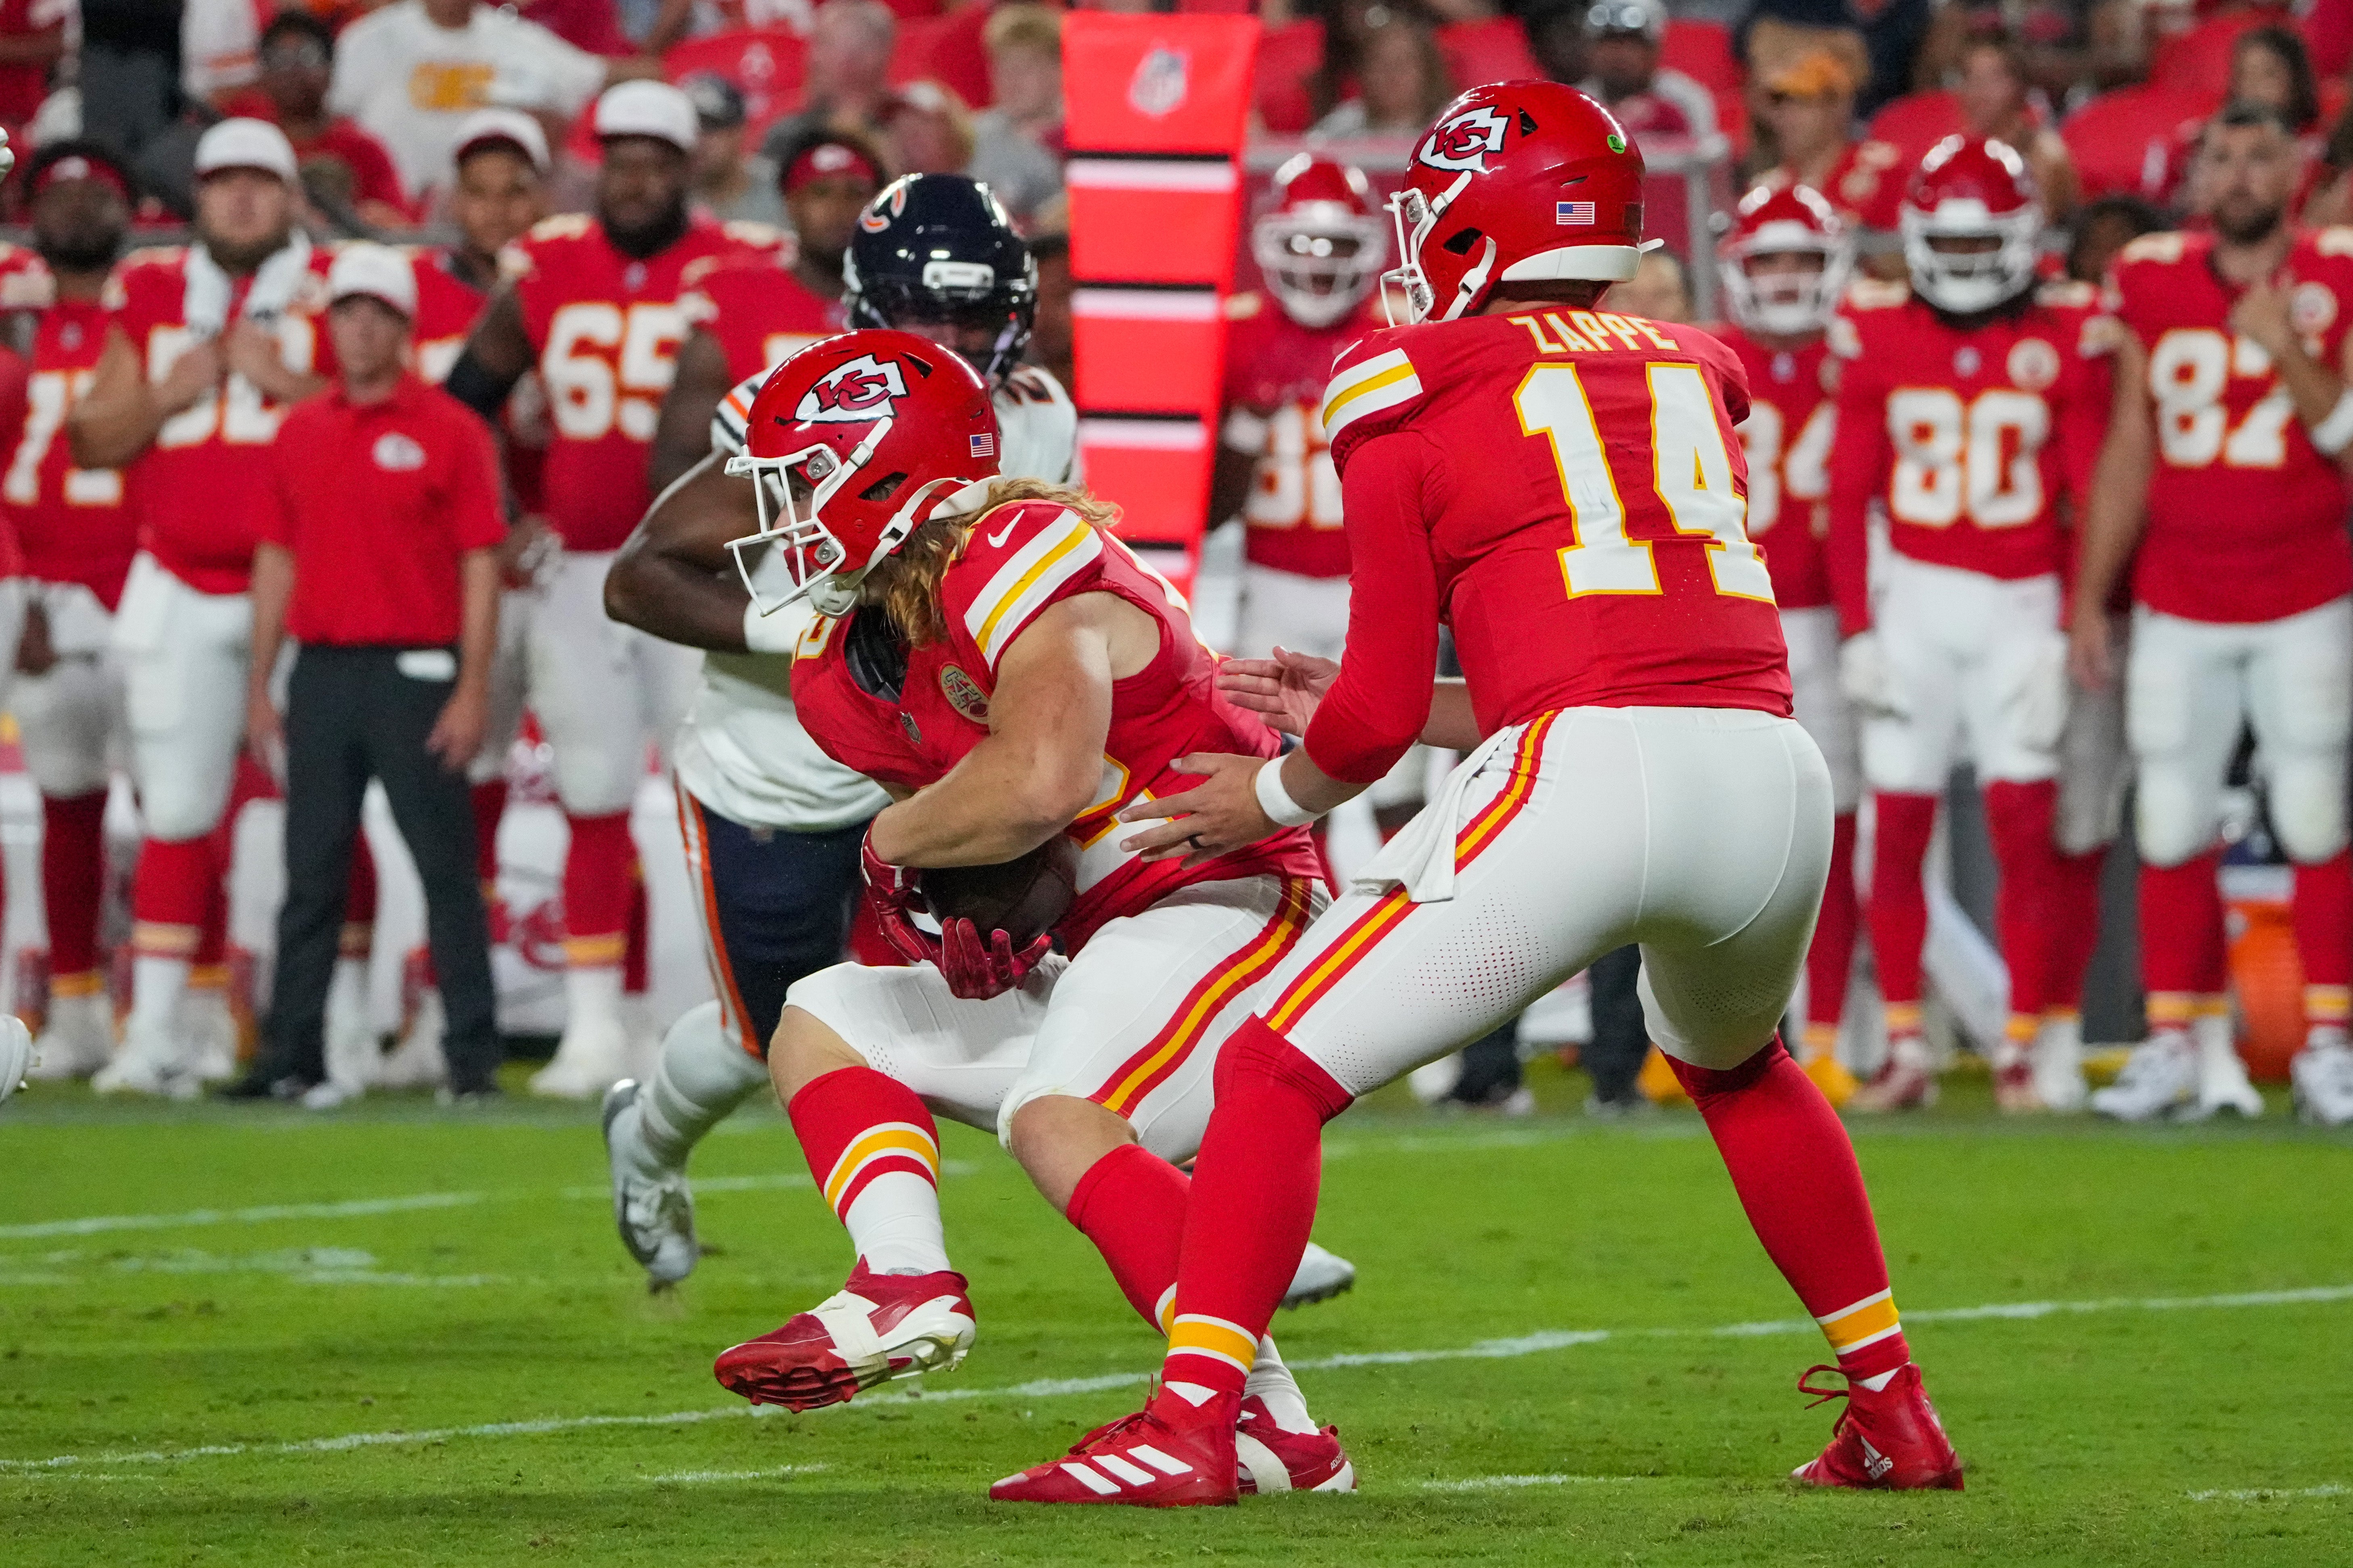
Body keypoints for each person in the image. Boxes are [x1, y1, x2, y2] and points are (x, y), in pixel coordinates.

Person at [990, 82, 1957, 1506]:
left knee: (1270, 1064)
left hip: (1589, 782)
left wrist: (1263, 794)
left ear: (1487, 214)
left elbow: (1380, 720)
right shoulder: (1702, 358)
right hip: (1765, 772)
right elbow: (1625, 656)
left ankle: (1195, 1421)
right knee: (1743, 1068)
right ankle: (1894, 1405)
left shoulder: (1408, 374)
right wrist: (1402, 712)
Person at [696, 330, 1355, 1498]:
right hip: (1119, 929)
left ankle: (1234, 1422)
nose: (788, 511)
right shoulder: (845, 663)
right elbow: (1005, 847)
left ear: (883, 470)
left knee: (1060, 1112)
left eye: (803, 477)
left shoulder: (1015, 542)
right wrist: (968, 924)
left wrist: (890, 848)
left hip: (1237, 897)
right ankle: (905, 1280)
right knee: (828, 1013)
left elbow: (1041, 779)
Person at [443, 81, 779, 1099]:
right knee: (591, 786)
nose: (634, 180)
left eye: (654, 162)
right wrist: (509, 512)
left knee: (718, 789)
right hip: (582, 567)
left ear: (689, 169)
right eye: (619, 161)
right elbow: (466, 401)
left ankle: (720, 1015)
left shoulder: (736, 268)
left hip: (705, 570)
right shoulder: (548, 267)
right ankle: (594, 1028)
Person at [2070, 104, 2353, 1128]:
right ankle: (2171, 1044)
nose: (2236, 175)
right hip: (2178, 590)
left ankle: (2326, 1043)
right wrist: (2087, 596)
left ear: (2294, 172)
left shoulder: (2335, 273)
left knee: (2316, 812)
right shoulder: (2148, 276)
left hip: (2303, 587)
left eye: (2257, 157)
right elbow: (2127, 448)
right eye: (2220, 157)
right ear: (2196, 176)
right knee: (2168, 819)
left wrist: (2283, 348)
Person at [1826, 137, 2111, 1114]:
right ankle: (1906, 1046)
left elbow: (2084, 491)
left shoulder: (2063, 333)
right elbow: (1845, 493)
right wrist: (1858, 629)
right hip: (1912, 597)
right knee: (1893, 828)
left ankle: (2021, 1046)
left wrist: (2069, 619)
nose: (1955, 266)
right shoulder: (1876, 332)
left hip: (2018, 602)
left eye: (1978, 243)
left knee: (2023, 831)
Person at [67, 118, 335, 1100]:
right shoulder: (150, 291)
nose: (240, 199)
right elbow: (92, 441)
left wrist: (287, 385)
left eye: (259, 183)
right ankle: (156, 1033)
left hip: (310, 584)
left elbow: (393, 417)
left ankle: (328, 1033)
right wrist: (170, 396)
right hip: (177, 576)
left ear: (292, 196)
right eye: (222, 182)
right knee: (176, 812)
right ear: (196, 198)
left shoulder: (337, 286)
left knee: (320, 818)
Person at [241, 244, 507, 1106]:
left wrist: (472, 686)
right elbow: (276, 560)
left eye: (375, 313)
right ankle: (295, 1055)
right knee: (310, 871)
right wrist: (259, 682)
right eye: (346, 312)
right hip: (320, 671)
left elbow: (479, 561)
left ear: (403, 327)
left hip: (416, 670)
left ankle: (470, 1058)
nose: (358, 328)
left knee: (444, 870)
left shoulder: (451, 430)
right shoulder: (301, 429)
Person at [376, 107, 558, 1092]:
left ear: (541, 199)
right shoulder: (419, 299)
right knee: (448, 799)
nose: (495, 210)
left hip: (568, 561)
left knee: (600, 785)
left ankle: (618, 1009)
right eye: (479, 191)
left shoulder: (568, 283)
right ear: (452, 202)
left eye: (514, 190)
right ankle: (437, 1008)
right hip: (467, 570)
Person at [1213, 156, 1423, 846]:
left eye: (1336, 246)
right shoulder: (1233, 335)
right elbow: (1209, 503)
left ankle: (1405, 919)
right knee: (1286, 778)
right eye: (1304, 244)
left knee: (1398, 780)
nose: (1320, 264)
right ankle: (1311, 922)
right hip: (1270, 581)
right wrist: (1244, 426)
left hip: (1377, 580)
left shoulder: (1400, 333)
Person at [1711, 183, 1859, 1104]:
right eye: (1766, 260)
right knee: (1719, 839)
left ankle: (1836, 1026)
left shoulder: (1862, 353)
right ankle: (1706, 1028)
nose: (1782, 280)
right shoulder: (1696, 358)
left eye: (1801, 259)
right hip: (1727, 620)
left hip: (1827, 618)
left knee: (1828, 836)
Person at [5, 143, 141, 1085]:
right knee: (64, 802)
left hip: (145, 581)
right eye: (62, 193)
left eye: (99, 193)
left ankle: (197, 1006)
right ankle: (78, 1008)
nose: (79, 209)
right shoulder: (16, 310)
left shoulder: (154, 309)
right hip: (44, 585)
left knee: (180, 807)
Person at [649, 128, 883, 493]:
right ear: (790, 204)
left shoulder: (905, 304)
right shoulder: (735, 297)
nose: (840, 210)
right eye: (820, 193)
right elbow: (679, 459)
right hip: (765, 524)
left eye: (856, 193)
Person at [326, 0, 653, 205]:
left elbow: (597, 75)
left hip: (488, 207)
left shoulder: (512, 39)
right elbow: (328, 122)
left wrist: (686, 66)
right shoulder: (370, 40)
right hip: (390, 210)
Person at [236, 12, 412, 229]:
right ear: (262, 74)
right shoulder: (248, 146)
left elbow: (400, 229)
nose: (293, 70)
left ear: (331, 69)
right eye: (279, 59)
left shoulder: (364, 149)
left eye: (307, 57)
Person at [1755, 50, 1907, 268]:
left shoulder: (1881, 170)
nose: (1788, 116)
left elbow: (1906, 258)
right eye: (1782, 103)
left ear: (1838, 108)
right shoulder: (1768, 190)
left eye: (1803, 102)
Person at [758, 0, 896, 167]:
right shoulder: (789, 134)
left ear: (857, 60)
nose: (810, 59)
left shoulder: (906, 128)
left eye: (823, 44)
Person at [1955, 36, 2078, 223]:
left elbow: (2039, 227)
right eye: (1970, 79)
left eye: (1991, 80)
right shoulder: (1955, 154)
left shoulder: (2045, 155)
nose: (1978, 92)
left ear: (2020, 87)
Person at [972, 2, 1065, 218]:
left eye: (1024, 68)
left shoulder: (1083, 141)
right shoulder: (973, 135)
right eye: (1002, 69)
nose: (1010, 81)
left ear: (1059, 69)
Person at [1582, 0, 1719, 143]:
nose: (1619, 53)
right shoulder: (1578, 102)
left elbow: (1708, 156)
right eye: (1608, 41)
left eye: (1632, 43)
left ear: (1655, 50)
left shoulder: (1685, 100)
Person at [1307, 10, 1454, 140]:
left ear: (1427, 69)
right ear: (1363, 71)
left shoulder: (1451, 125)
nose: (1392, 74)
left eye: (1403, 62)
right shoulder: (1341, 127)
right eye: (1380, 62)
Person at [682, 73, 786, 230]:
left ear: (740, 132)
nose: (697, 140)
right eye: (688, 128)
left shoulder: (781, 187)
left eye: (710, 127)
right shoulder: (666, 199)